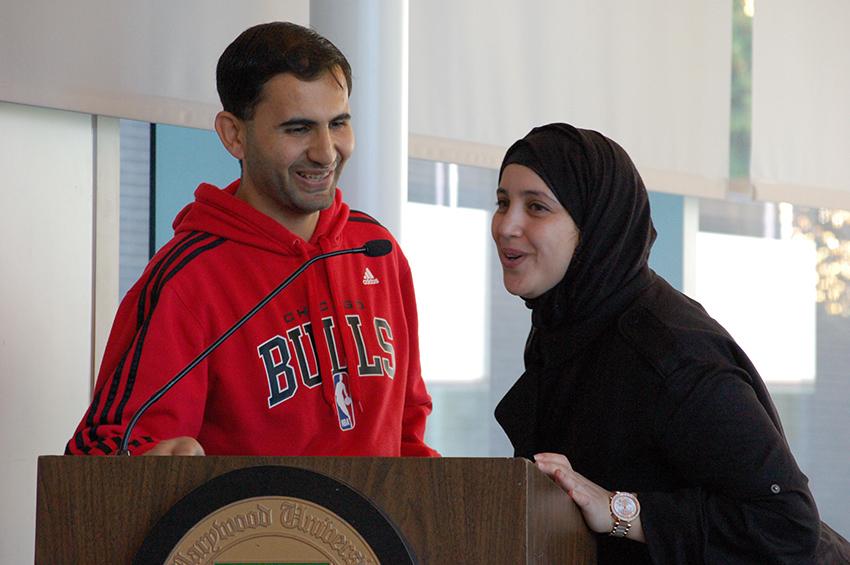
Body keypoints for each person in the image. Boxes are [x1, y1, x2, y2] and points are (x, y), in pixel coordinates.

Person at [66, 22, 437, 458]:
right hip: (258, 527)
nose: (326, 151)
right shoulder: (189, 279)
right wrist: (147, 463)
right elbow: (103, 450)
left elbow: (409, 432)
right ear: (233, 135)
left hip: (371, 527)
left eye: (337, 123)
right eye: (298, 129)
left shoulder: (376, 250)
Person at [491, 123, 849, 563]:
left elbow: (785, 523)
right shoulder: (569, 326)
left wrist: (621, 510)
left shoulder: (669, 350)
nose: (507, 225)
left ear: (594, 226)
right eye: (503, 202)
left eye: (537, 207)